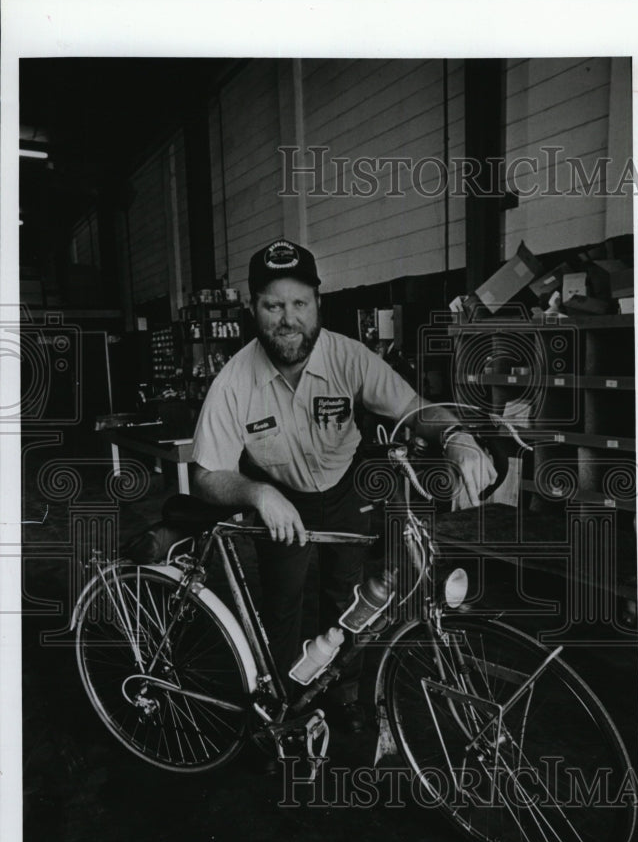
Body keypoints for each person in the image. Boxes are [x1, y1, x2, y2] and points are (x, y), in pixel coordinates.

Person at [191, 238, 496, 732]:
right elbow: (203, 475)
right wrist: (257, 494)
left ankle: (343, 693)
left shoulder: (348, 358)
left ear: (317, 304)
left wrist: (457, 435)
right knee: (284, 604)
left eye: (299, 304)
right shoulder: (232, 383)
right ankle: (286, 708)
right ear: (253, 309)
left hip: (343, 489)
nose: (287, 319)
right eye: (273, 305)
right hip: (278, 495)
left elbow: (412, 408)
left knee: (349, 599)